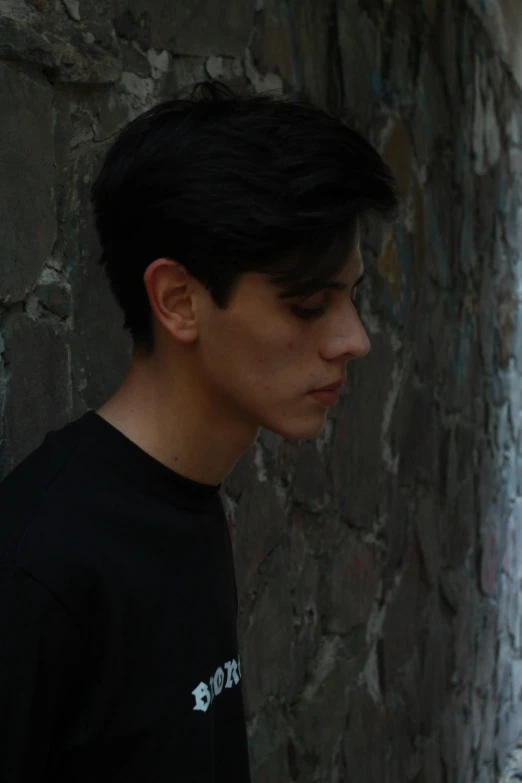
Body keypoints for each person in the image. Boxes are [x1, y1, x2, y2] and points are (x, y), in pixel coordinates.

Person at [0, 80, 398, 782]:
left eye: (353, 294)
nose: (354, 339)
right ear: (179, 300)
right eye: (310, 303)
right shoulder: (42, 565)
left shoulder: (188, 495)